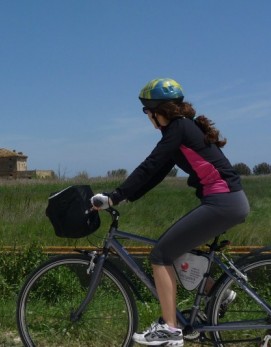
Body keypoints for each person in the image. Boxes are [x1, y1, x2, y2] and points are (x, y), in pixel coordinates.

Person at [90, 78, 250, 346]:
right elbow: (155, 174)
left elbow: (150, 164)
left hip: (223, 202)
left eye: (146, 112)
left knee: (160, 254)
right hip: (226, 201)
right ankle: (216, 292)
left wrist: (114, 197)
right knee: (174, 249)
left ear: (156, 110)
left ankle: (169, 329)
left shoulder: (178, 128)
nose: (147, 118)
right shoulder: (180, 130)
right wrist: (120, 198)